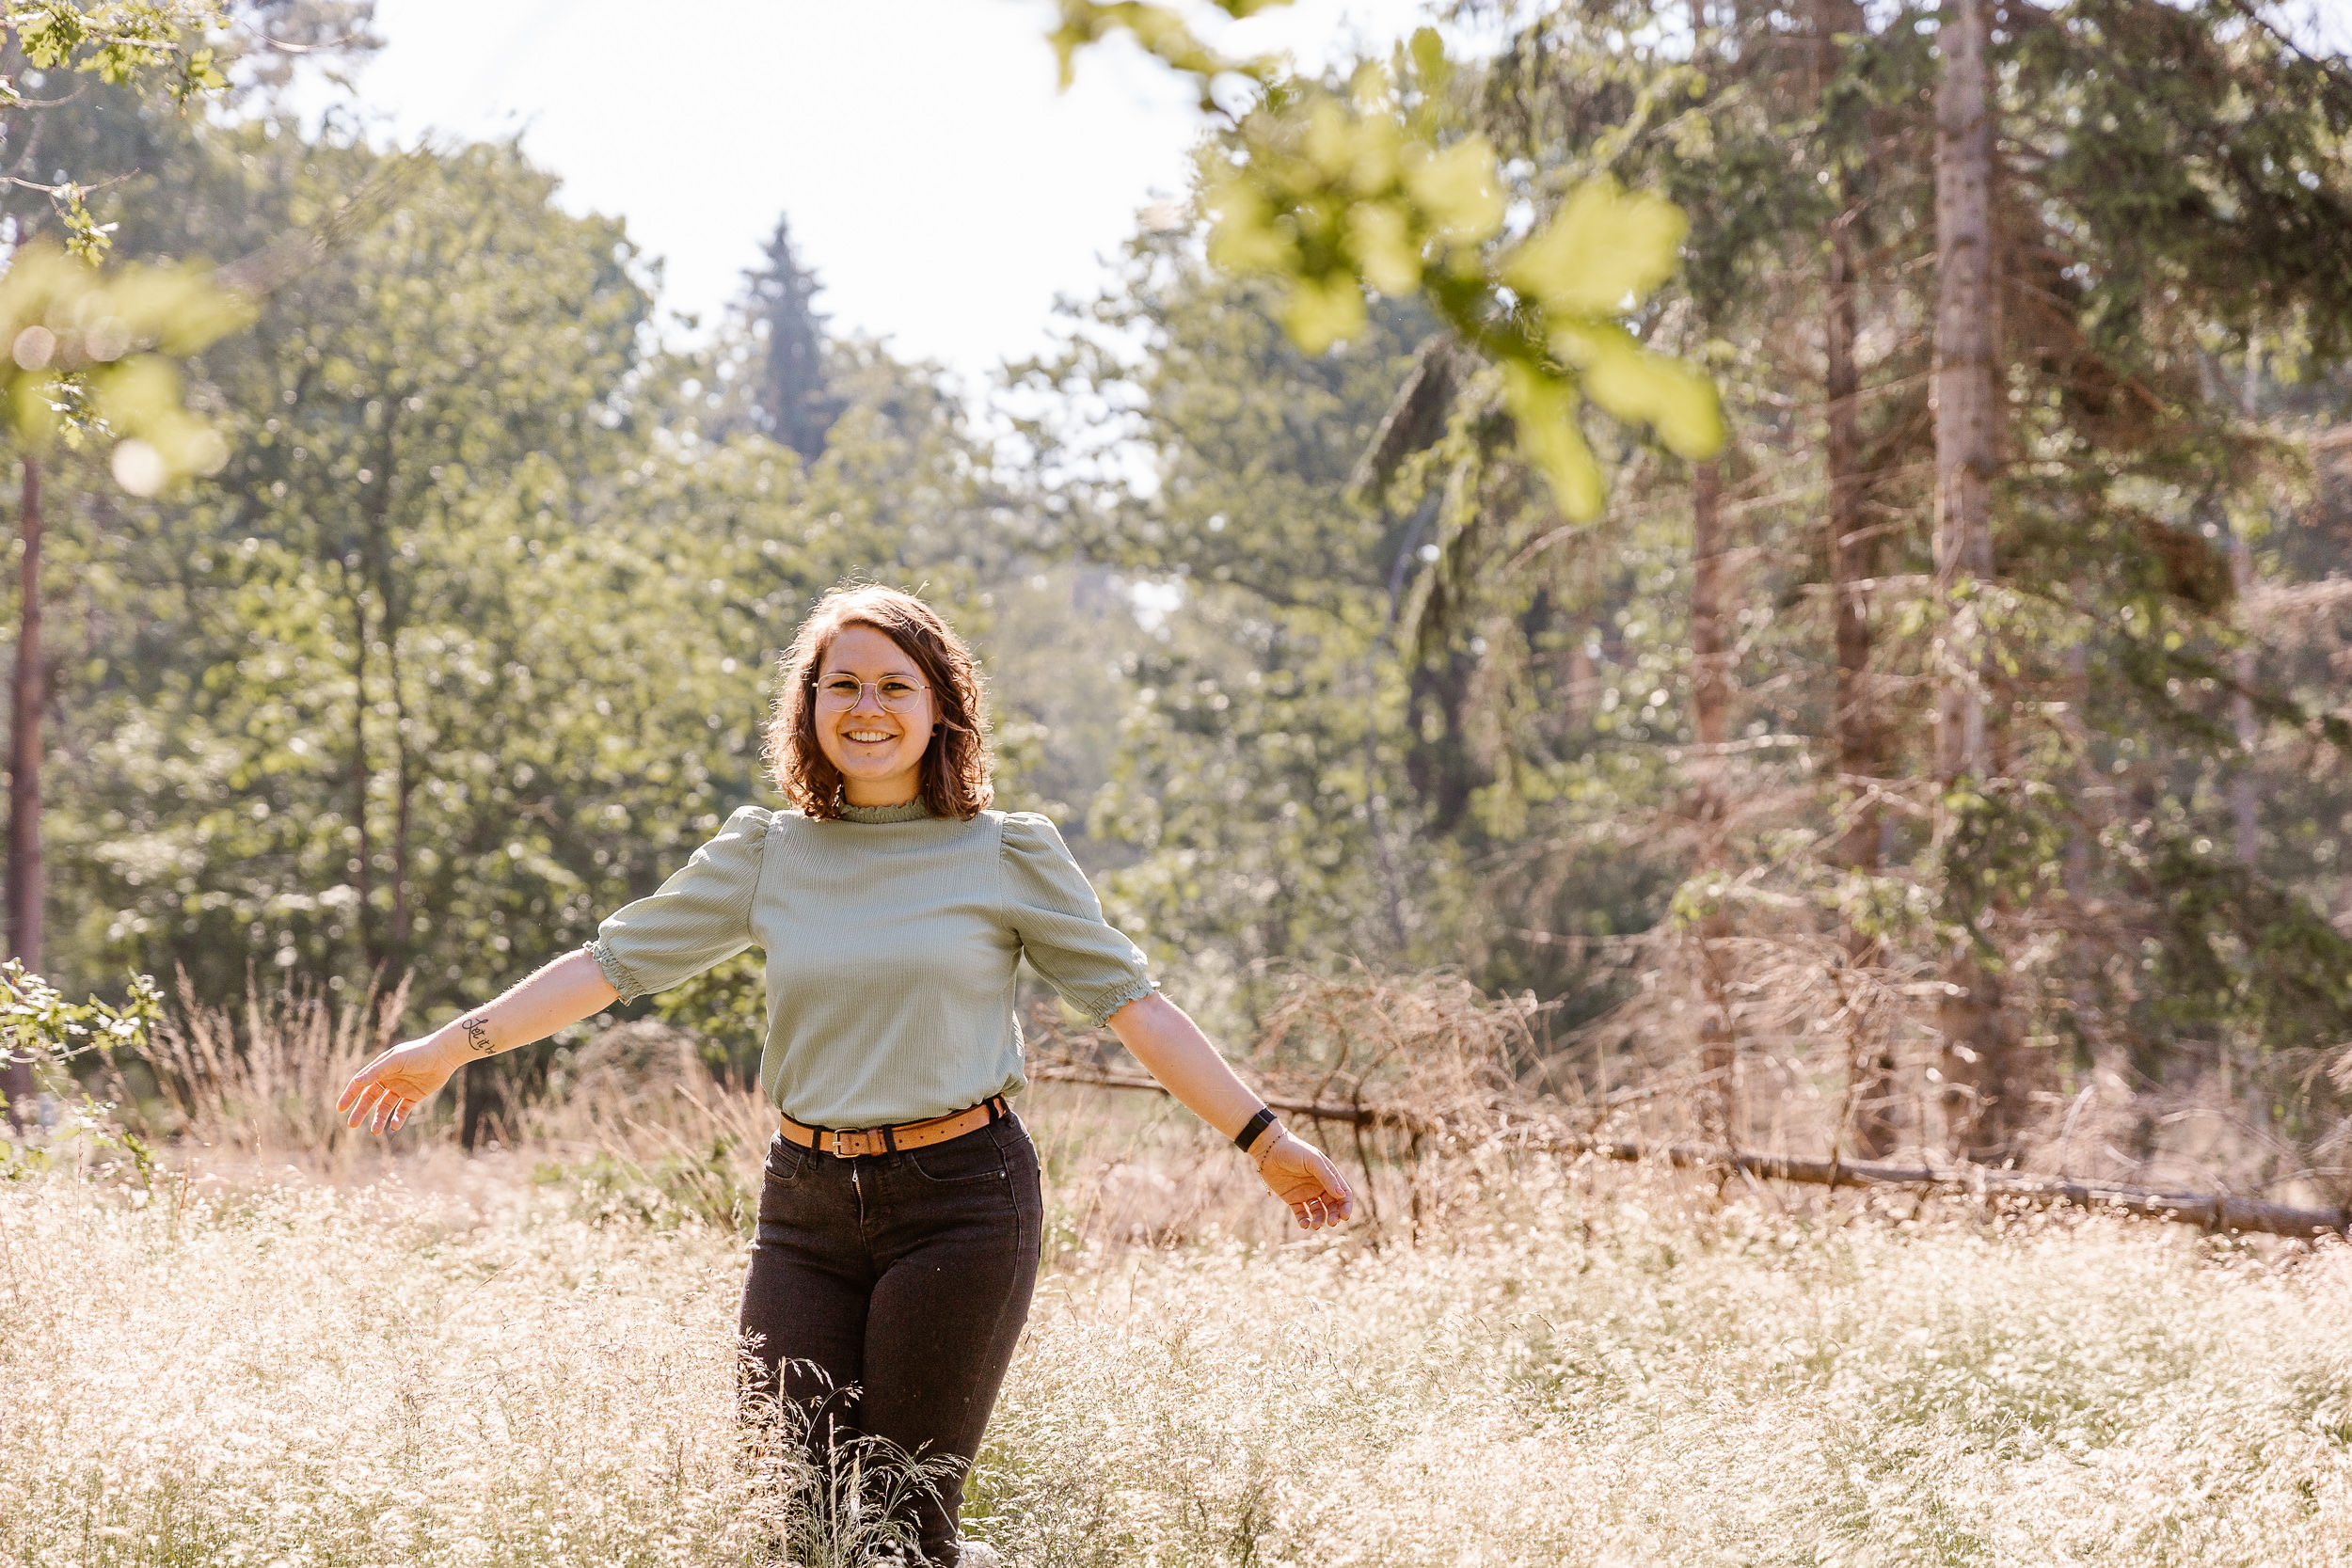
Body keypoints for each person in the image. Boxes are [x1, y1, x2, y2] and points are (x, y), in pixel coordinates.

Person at [336, 583, 1356, 1567]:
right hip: (805, 1209)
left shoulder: (1006, 853)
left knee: (904, 1527)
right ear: (809, 706)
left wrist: (1265, 1140)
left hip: (962, 1199)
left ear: (941, 707)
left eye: (895, 685)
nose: (868, 707)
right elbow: (606, 967)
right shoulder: (767, 852)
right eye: (844, 685)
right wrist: (446, 1047)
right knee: (792, 1518)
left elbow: (1139, 1010)